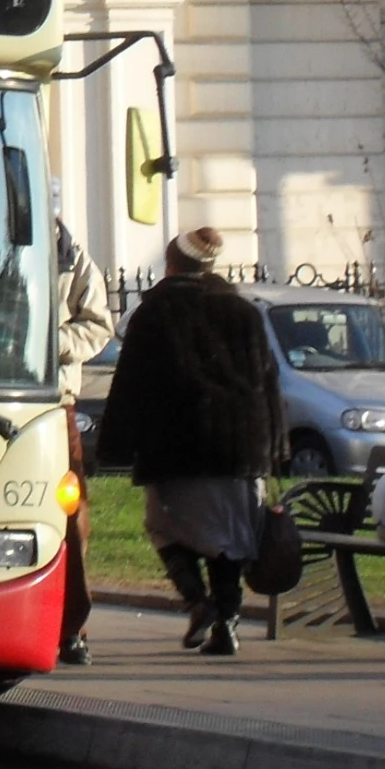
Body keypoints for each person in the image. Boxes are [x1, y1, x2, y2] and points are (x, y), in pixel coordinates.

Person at [96, 228, 285, 657]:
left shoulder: (155, 313)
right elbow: (268, 382)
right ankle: (228, 622)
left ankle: (199, 604)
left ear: (172, 265)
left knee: (165, 528)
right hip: (241, 445)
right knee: (228, 540)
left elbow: (131, 386)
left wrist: (116, 446)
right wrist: (275, 444)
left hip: (176, 445)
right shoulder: (243, 312)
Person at [54, 216, 115, 666]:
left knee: (69, 516)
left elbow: (97, 325)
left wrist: (48, 343)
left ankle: (73, 626)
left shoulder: (71, 258)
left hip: (56, 403)